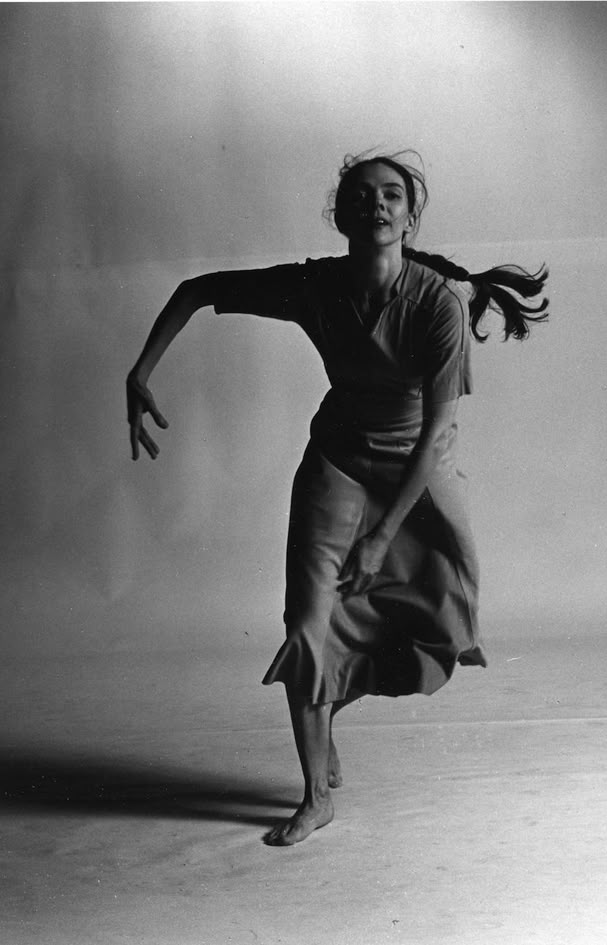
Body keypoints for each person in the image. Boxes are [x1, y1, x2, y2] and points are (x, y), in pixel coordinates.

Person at [126, 151, 548, 846]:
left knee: (443, 621)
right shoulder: (313, 288)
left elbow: (439, 426)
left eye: (391, 195)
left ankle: (329, 703)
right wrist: (140, 371)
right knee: (307, 622)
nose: (376, 205)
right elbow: (197, 289)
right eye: (361, 195)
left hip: (420, 469)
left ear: (410, 215)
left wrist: (383, 535)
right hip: (339, 462)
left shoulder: (437, 301)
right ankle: (317, 790)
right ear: (339, 213)